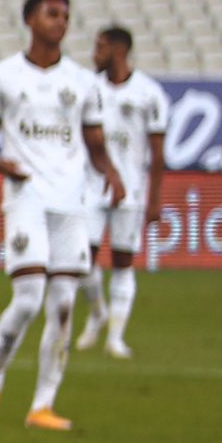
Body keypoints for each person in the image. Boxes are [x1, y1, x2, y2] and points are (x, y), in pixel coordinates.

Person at [0, 0, 124, 432]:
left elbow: (94, 141)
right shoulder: (0, 77)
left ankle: (42, 405)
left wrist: (111, 172)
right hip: (27, 196)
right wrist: (2, 165)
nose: (61, 22)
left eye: (66, 16)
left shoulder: (83, 83)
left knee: (62, 304)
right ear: (31, 20)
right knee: (29, 298)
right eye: (52, 14)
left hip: (71, 201)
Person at [75, 26, 168, 358]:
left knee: (123, 261)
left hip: (131, 190)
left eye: (99, 47)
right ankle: (98, 312)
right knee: (81, 257)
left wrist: (154, 199)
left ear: (118, 49)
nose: (94, 54)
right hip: (91, 186)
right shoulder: (87, 88)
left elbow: (158, 153)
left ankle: (115, 337)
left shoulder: (149, 94)